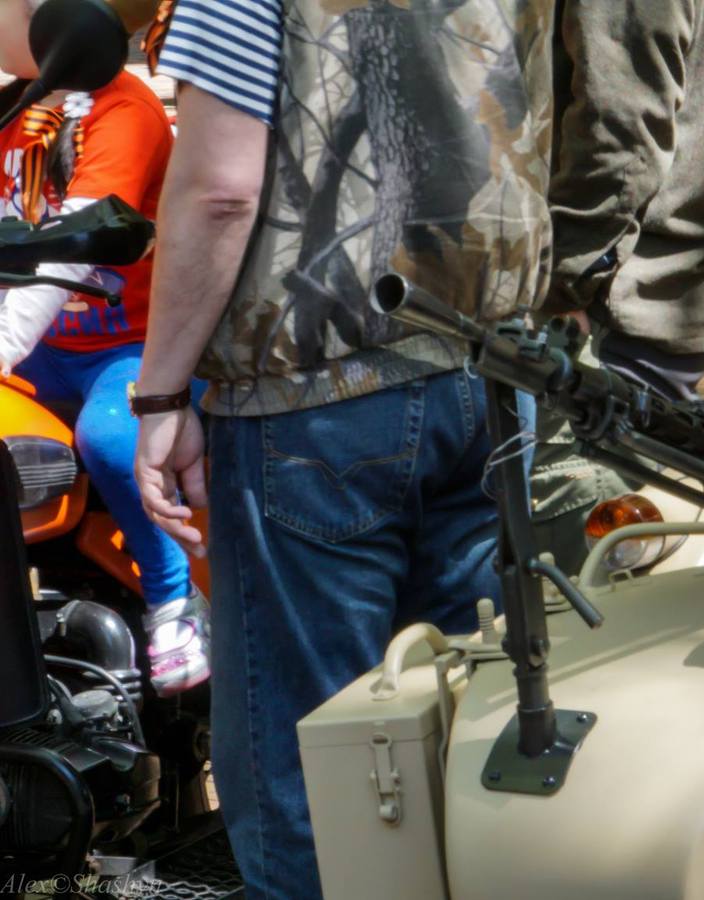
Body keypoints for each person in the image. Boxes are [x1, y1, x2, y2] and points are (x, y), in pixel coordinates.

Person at [130, 0, 554, 895]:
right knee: (469, 737)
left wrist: (162, 391)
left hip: (313, 398)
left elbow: (220, 188)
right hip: (493, 370)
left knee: (310, 767)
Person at [0, 0, 208, 696]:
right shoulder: (11, 115)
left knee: (114, 437)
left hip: (131, 345)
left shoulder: (124, 113)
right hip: (42, 348)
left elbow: (72, 252)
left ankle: (175, 602)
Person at [529, 0, 704, 574]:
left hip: (604, 310)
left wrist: (559, 286)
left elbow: (621, 132)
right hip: (615, 295)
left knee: (576, 571)